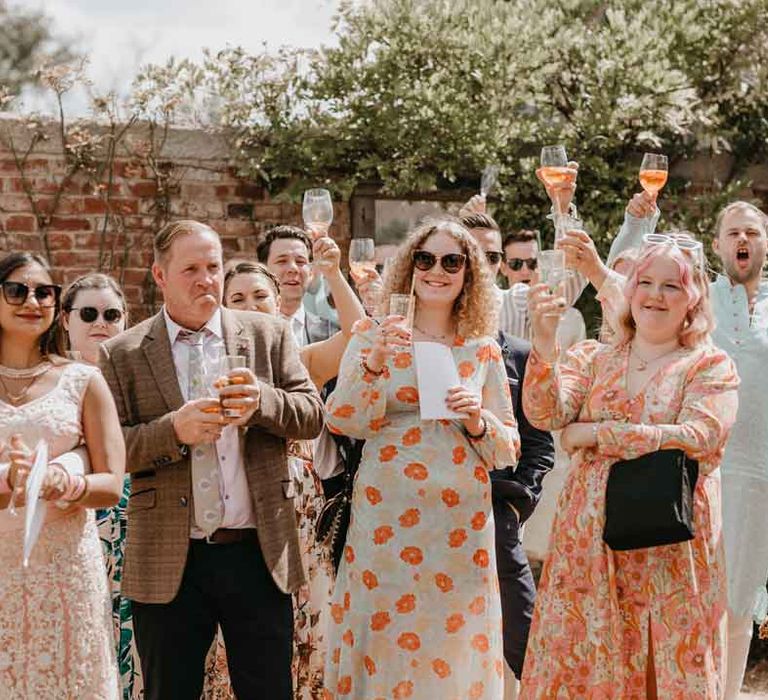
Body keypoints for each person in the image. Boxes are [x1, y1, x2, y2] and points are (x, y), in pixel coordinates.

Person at [99, 219, 324, 700]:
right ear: (160, 276)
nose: (206, 279)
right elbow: (109, 449)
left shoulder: (267, 334)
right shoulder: (123, 353)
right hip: (170, 559)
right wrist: (171, 431)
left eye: (213, 267)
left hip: (258, 552)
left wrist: (262, 402)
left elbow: (311, 416)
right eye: (191, 269)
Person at [520, 238, 739, 698]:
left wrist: (599, 434)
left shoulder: (709, 365)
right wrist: (543, 343)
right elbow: (546, 413)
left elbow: (701, 436)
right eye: (645, 282)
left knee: (665, 663)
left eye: (670, 286)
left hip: (670, 550)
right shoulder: (593, 358)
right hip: (589, 549)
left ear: (693, 298)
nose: (655, 296)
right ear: (630, 291)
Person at [323, 217, 520, 699]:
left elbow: (507, 449)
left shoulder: (483, 350)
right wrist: (372, 363)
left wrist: (477, 419)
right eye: (425, 259)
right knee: (384, 633)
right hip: (387, 514)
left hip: (459, 524)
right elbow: (342, 419)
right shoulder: (373, 334)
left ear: (469, 273)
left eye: (452, 261)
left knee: (452, 640)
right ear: (409, 267)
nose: (437, 270)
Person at [607, 196, 768, 699]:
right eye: (733, 232)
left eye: (753, 232)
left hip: (757, 471)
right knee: (689, 601)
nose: (742, 240)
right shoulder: (695, 296)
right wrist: (640, 222)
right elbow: (623, 282)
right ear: (717, 244)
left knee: (740, 603)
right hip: (689, 469)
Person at [205, 244, 366, 699]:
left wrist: (334, 275)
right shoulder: (212, 366)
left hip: (299, 522)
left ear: (280, 304)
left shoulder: (302, 360)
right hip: (240, 520)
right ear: (222, 308)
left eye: (260, 296)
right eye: (237, 299)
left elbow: (359, 333)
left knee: (305, 633)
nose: (251, 307)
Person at [0, 252, 125, 697]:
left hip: (65, 567)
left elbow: (112, 483)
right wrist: (9, 482)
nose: (31, 300)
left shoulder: (82, 379)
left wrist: (65, 483)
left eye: (44, 292)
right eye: (16, 289)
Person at [460, 211, 556, 699]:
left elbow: (540, 443)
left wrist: (517, 504)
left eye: (492, 255)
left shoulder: (517, 353)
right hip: (421, 521)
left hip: (496, 517)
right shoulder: (414, 345)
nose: (483, 263)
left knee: (526, 639)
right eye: (469, 252)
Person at [61, 272, 142, 699]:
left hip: (137, 533)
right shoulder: (52, 383)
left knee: (135, 649)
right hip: (74, 529)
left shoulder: (139, 380)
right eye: (88, 313)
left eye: (112, 314)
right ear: (66, 321)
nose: (101, 323)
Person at [257, 226, 339, 346]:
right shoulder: (246, 329)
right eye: (282, 261)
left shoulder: (331, 332)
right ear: (263, 270)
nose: (293, 269)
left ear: (311, 272)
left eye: (300, 262)